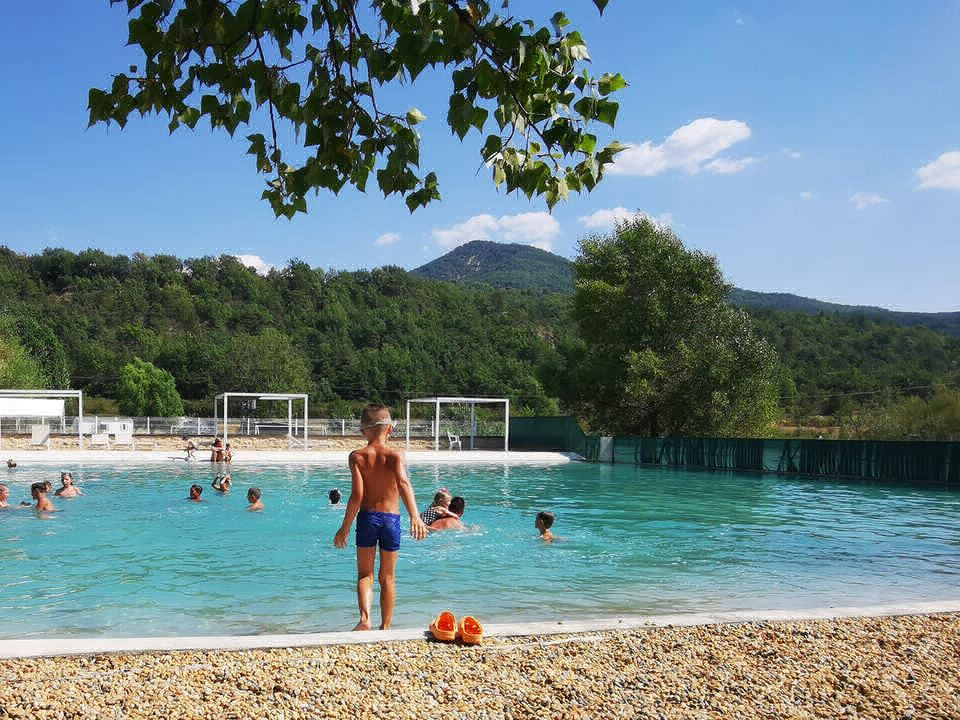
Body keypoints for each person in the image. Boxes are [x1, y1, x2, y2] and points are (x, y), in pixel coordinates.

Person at [333, 403, 427, 631]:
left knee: (365, 575)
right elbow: (404, 483)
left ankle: (365, 619)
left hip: (366, 519)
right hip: (391, 520)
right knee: (388, 577)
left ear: (363, 430)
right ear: (390, 430)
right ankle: (385, 627)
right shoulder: (396, 455)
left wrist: (345, 527)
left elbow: (357, 495)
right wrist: (415, 515)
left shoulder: (357, 457)